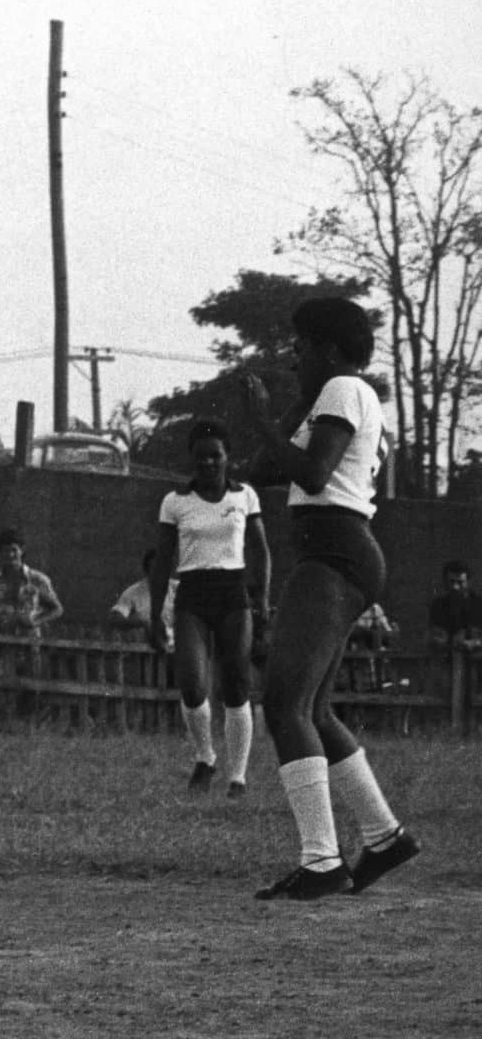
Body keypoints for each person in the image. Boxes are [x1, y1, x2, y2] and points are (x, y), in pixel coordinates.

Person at [239, 296, 417, 900]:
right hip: (342, 551)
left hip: (335, 551)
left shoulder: (344, 388)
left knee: (284, 704)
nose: (294, 356)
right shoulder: (333, 395)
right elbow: (263, 470)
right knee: (313, 711)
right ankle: (385, 837)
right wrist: (285, 413)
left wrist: (262, 419)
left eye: (302, 345)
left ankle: (321, 861)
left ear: (330, 349)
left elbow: (313, 474)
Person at [149, 419, 270, 798]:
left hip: (233, 595)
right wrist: (155, 614)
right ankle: (205, 757)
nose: (208, 463)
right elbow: (163, 560)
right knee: (191, 683)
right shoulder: (175, 501)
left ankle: (238, 777)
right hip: (192, 596)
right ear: (191, 458)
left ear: (227, 457)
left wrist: (263, 600)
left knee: (236, 684)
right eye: (200, 456)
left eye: (215, 455)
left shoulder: (245, 496)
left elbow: (261, 551)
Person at [0, 527, 64, 637]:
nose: (10, 554)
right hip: (0, 641)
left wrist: (35, 621)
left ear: (22, 551)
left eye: (14, 550)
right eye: (5, 550)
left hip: (30, 641)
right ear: (0, 552)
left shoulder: (37, 579)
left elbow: (57, 609)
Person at [427, 559, 482, 654]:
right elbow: (435, 636)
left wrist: (474, 643)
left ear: (469, 582)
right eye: (451, 582)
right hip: (449, 657)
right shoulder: (438, 605)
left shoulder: (479, 604)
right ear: (445, 582)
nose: (455, 587)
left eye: (460, 583)